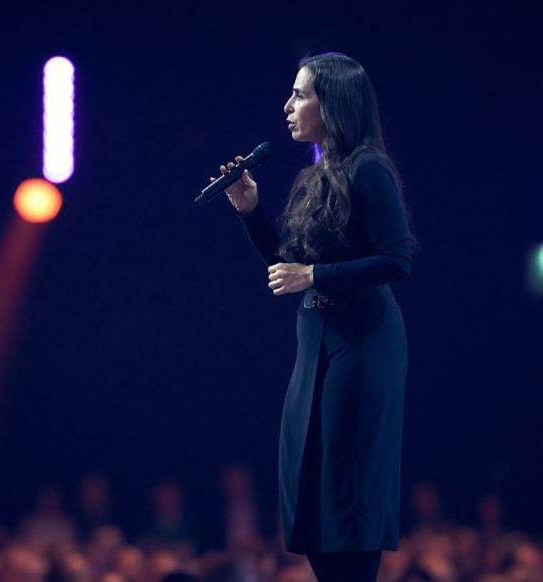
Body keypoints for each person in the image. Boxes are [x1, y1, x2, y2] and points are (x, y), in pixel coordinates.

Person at [213, 52, 413, 582]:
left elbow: (398, 258)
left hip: (361, 343)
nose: (288, 105)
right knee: (312, 482)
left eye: (300, 94)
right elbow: (289, 266)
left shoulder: (368, 167)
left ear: (334, 102)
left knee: (347, 490)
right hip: (318, 344)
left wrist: (317, 277)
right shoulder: (316, 174)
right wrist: (251, 211)